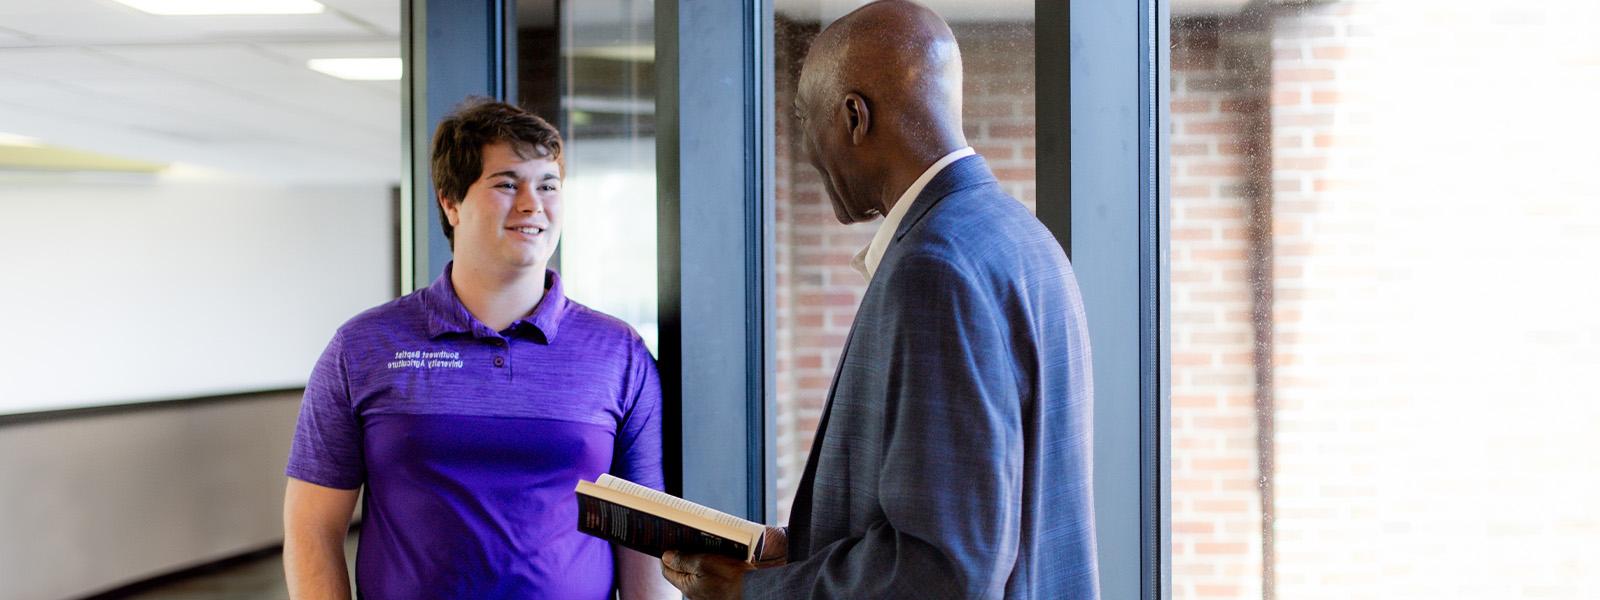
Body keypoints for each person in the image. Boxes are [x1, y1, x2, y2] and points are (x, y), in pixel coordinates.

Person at [660, 1, 1099, 598]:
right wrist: (808, 555)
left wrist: (751, 592)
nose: (809, 149)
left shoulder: (933, 268)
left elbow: (944, 567)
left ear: (853, 116)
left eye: (804, 118)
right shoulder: (1019, 236)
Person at [283, 99, 676, 600]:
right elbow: (311, 527)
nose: (533, 205)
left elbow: (642, 536)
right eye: (507, 184)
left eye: (548, 185)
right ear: (451, 202)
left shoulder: (618, 352)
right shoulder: (363, 346)